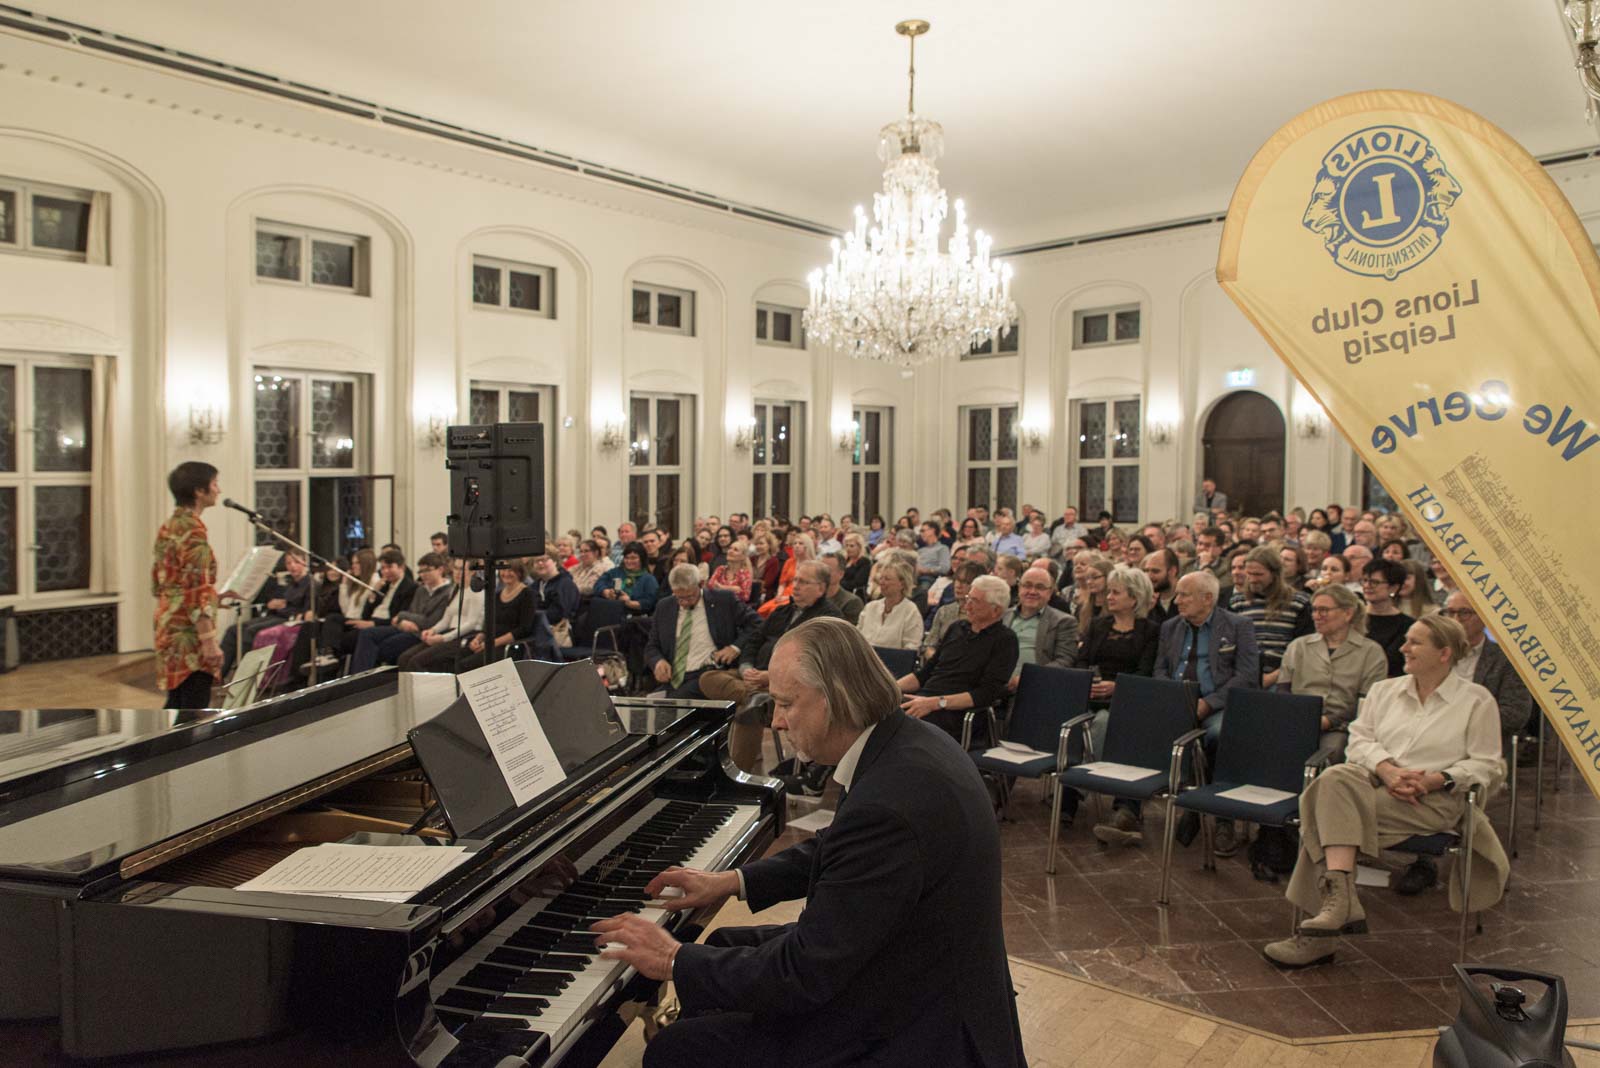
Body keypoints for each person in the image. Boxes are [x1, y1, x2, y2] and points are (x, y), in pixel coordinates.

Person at [594, 617, 1024, 1068]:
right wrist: (730, 881)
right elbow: (839, 848)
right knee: (719, 943)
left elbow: (803, 973)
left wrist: (673, 959)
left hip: (915, 1023)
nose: (776, 722)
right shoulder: (907, 743)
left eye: (786, 704)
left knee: (675, 1051)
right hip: (911, 964)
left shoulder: (891, 802)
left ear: (837, 696)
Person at [1263, 615, 1508, 969]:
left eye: (1415, 642)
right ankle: (1340, 904)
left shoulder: (1476, 700)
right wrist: (1387, 769)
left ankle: (1322, 932)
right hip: (1377, 783)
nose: (1403, 648)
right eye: (1406, 640)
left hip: (1435, 798)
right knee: (1334, 780)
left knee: (1324, 817)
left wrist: (1435, 779)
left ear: (1444, 653)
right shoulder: (1385, 690)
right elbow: (1358, 742)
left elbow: (1488, 765)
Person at [1101, 571, 1258, 851]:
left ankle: (1223, 818)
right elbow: (1160, 668)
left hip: (1216, 704)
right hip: (1175, 702)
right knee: (1137, 727)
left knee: (1221, 735)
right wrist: (1172, 699)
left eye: (1185, 594)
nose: (1178, 600)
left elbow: (1246, 675)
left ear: (1208, 598)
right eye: (1178, 594)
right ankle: (1128, 811)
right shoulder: (1171, 626)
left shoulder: (1237, 625)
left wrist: (1208, 703)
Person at [699, 561, 843, 771]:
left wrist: (770, 677)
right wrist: (746, 667)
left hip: (790, 686)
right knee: (707, 678)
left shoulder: (828, 618)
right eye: (795, 580)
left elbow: (815, 662)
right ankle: (750, 695)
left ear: (821, 588)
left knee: (749, 710)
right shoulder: (782, 611)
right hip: (753, 677)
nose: (796, 586)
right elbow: (755, 640)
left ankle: (738, 770)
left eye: (803, 582)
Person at [1075, 565, 1161, 829]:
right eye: (1109, 591)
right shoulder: (1099, 625)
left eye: (1116, 592)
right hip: (1092, 694)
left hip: (1130, 698)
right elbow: (1081, 661)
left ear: (1134, 599)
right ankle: (1081, 790)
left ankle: (1079, 785)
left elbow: (1146, 671)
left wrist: (1117, 686)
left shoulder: (1151, 631)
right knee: (1087, 720)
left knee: (1105, 722)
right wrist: (1090, 681)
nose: (1108, 596)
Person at [896, 574, 1019, 742]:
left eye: (975, 601)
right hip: (924, 701)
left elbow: (985, 694)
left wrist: (935, 703)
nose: (966, 606)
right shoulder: (957, 628)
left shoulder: (1005, 641)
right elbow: (924, 674)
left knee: (902, 729)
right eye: (968, 598)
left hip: (958, 712)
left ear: (996, 610)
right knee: (875, 710)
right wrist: (890, 688)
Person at [153, 462, 236, 709]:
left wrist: (215, 597)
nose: (218, 490)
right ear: (199, 491)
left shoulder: (170, 525)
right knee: (193, 706)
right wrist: (209, 641)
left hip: (169, 625)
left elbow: (164, 583)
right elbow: (194, 591)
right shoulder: (193, 531)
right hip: (188, 635)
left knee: (177, 702)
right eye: (214, 484)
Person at [1276, 584, 1388, 760]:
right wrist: (1295, 716)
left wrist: (1328, 721)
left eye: (1323, 610)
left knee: (1330, 751)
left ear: (1348, 613)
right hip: (1297, 720)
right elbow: (1283, 689)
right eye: (1314, 610)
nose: (1316, 616)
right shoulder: (1298, 646)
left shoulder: (1371, 652)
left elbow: (1366, 702)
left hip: (1342, 725)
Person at [645, 564, 760, 699]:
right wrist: (658, 661)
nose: (684, 603)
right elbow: (652, 646)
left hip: (708, 673)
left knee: (673, 703)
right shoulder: (664, 606)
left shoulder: (723, 600)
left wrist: (735, 647)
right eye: (679, 597)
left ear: (701, 584)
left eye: (689, 597)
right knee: (649, 704)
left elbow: (757, 623)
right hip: (674, 678)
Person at [1442, 591, 1534, 746]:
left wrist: (1457, 720)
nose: (1455, 620)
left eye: (1464, 613)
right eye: (1450, 613)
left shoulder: (1506, 660)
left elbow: (1515, 714)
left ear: (1484, 618)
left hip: (1481, 744)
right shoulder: (1432, 653)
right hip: (1430, 741)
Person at [348, 551, 455, 672]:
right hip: (406, 627)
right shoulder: (421, 590)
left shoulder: (447, 592)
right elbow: (412, 612)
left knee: (383, 647)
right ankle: (361, 677)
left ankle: (370, 679)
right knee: (367, 635)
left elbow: (430, 621)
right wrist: (404, 621)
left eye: (427, 570)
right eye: (421, 571)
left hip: (423, 633)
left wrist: (402, 616)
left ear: (440, 570)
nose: (423, 575)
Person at [398, 558, 485, 672]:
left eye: (462, 569)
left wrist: (443, 638)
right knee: (404, 658)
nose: (458, 573)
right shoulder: (456, 589)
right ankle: (407, 689)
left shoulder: (477, 591)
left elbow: (471, 624)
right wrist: (432, 630)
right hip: (450, 633)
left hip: (465, 637)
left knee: (417, 661)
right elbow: (446, 619)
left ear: (472, 571)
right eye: (456, 568)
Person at [457, 561, 546, 671]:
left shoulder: (528, 594)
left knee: (466, 665)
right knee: (455, 658)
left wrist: (492, 643)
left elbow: (524, 629)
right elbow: (488, 624)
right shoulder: (497, 594)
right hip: (490, 641)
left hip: (508, 645)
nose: (506, 573)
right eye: (503, 570)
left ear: (519, 573)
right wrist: (478, 639)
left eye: (511, 570)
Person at [1002, 566, 1079, 692]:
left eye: (1040, 587)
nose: (1032, 591)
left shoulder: (1064, 621)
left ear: (1050, 593)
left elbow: (1065, 660)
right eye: (1027, 585)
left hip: (1037, 688)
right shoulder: (1002, 616)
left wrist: (1029, 677)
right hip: (997, 687)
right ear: (1019, 588)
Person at [1359, 559, 1413, 677]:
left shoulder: (1407, 625)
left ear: (1393, 588)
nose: (1367, 586)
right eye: (1365, 581)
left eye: (1374, 582)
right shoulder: (1352, 618)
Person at [856, 557, 923, 651]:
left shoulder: (911, 611)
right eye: (881, 578)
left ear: (902, 584)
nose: (881, 582)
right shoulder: (870, 607)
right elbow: (857, 638)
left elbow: (910, 648)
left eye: (887, 579)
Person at [598, 541, 660, 614]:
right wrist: (607, 592)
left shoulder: (649, 579)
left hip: (634, 617)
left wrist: (628, 602)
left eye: (633, 558)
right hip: (611, 612)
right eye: (626, 558)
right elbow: (599, 583)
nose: (629, 561)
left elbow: (649, 604)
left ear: (642, 559)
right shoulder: (615, 572)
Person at [820, 551, 864, 625]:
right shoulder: (811, 597)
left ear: (841, 574)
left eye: (828, 570)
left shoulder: (851, 602)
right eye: (820, 569)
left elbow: (846, 634)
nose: (822, 574)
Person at [839, 531, 872, 597]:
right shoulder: (844, 560)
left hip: (854, 594)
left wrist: (839, 583)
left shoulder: (864, 562)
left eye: (852, 546)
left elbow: (858, 583)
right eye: (847, 545)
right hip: (841, 591)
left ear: (859, 547)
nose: (848, 548)